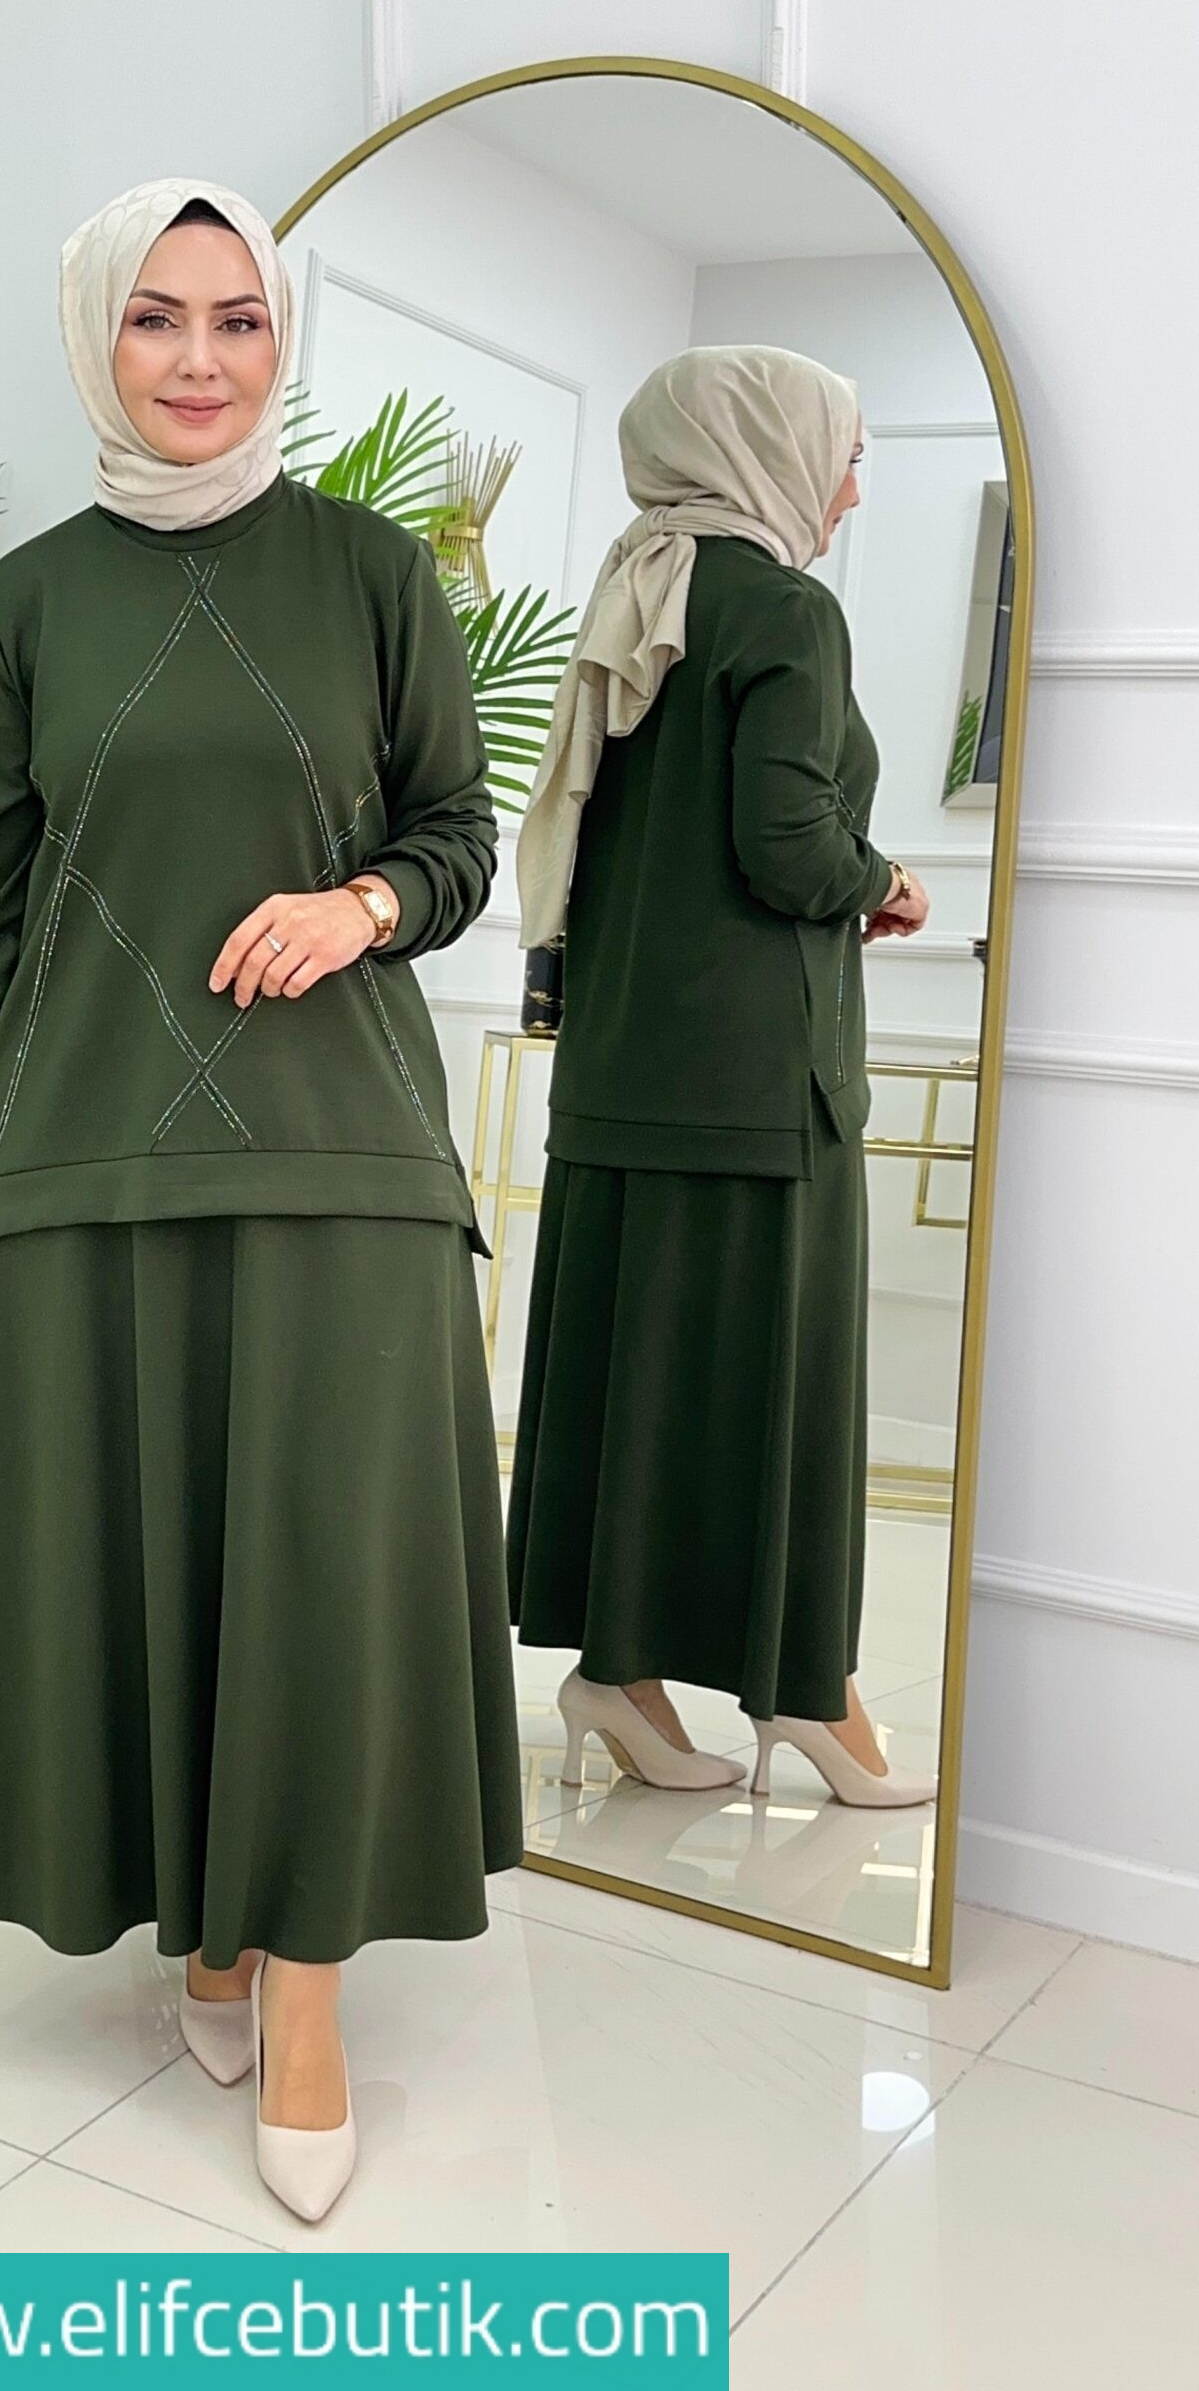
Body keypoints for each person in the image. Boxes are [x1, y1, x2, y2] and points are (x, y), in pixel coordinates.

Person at [0, 177, 523, 2223]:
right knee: (151, 1560)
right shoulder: (30, 602)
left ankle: (313, 1996)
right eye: (157, 317)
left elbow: (460, 833)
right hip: (88, 1154)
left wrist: (361, 905)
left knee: (326, 1581)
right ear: (99, 333)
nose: (199, 360)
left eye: (239, 318)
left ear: (282, 339)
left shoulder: (369, 572)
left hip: (346, 1155)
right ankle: (206, 1922)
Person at [505, 344, 936, 1812]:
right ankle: (808, 1694)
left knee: (636, 1387)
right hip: (758, 1093)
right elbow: (787, 849)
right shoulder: (785, 610)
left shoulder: (644, 593)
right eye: (845, 455)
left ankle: (618, 1677)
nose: (852, 491)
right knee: (780, 1400)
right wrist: (885, 880)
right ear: (769, 446)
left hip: (621, 1074)